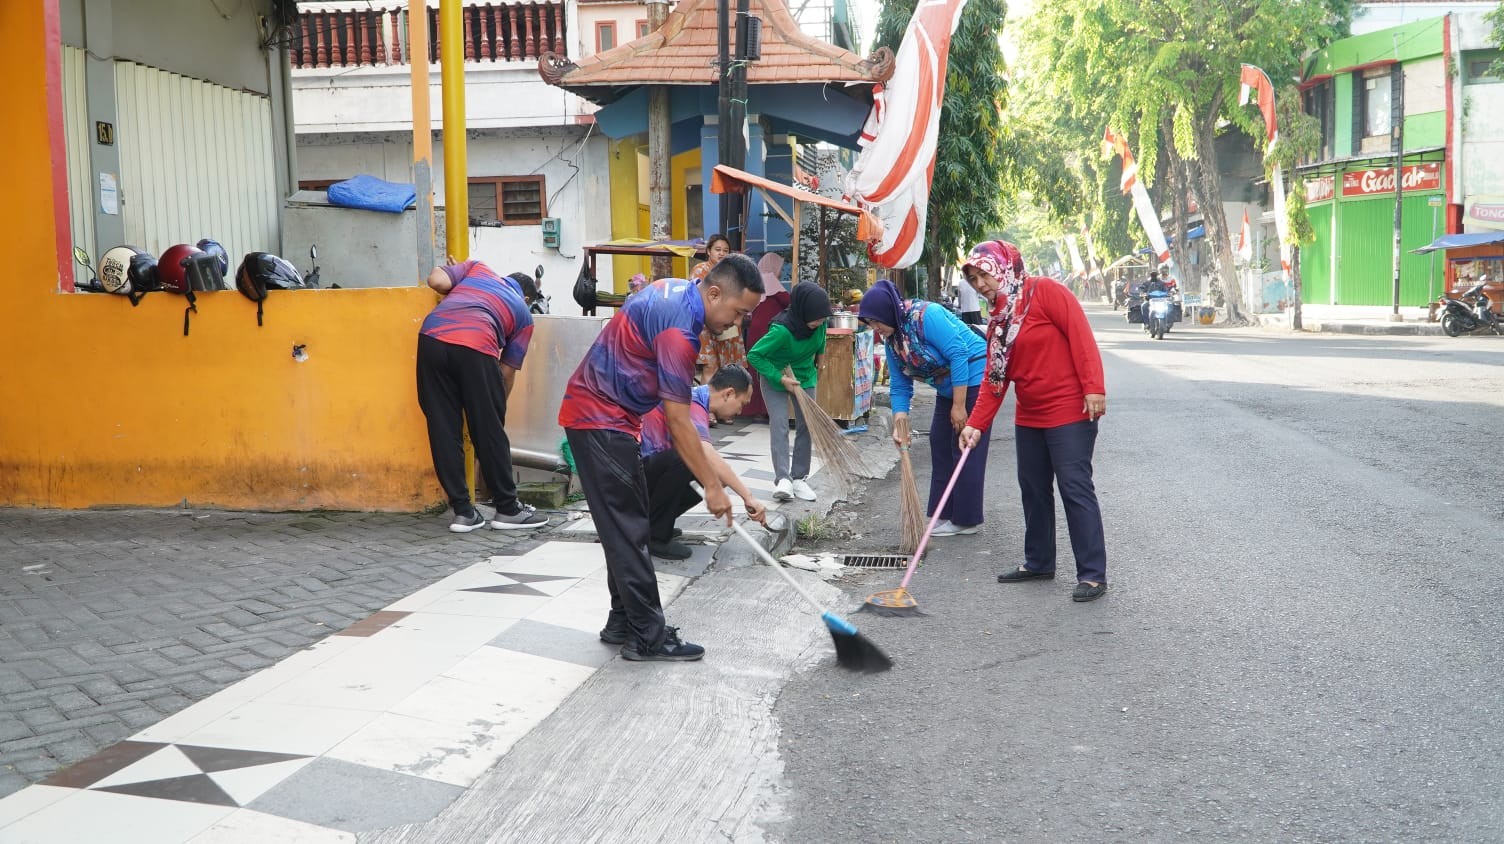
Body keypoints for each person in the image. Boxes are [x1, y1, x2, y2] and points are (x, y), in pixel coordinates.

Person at [559, 255, 763, 661]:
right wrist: (711, 485)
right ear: (716, 292)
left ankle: (624, 621)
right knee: (631, 530)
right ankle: (648, 637)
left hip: (603, 416)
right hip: (601, 418)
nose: (736, 323)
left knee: (624, 527)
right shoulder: (679, 330)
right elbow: (677, 419)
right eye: (738, 312)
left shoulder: (675, 292)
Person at [957, 241, 1110, 603]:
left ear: (1003, 268)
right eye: (974, 278)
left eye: (984, 274)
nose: (980, 284)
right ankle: (1039, 561)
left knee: (1074, 487)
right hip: (1030, 415)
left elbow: (1081, 338)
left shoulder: (1045, 292)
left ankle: (1092, 574)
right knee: (1033, 489)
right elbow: (995, 382)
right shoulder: (997, 322)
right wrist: (974, 425)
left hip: (1070, 410)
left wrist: (1094, 388)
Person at [417, 260, 550, 532]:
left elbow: (437, 282)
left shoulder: (476, 269)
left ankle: (464, 513)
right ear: (526, 298)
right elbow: (507, 371)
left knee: (442, 427)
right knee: (488, 430)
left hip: (431, 337)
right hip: (476, 343)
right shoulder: (524, 316)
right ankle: (508, 509)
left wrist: (454, 272)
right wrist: (494, 412)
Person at [859, 279, 989, 537]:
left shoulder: (926, 316)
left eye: (876, 322)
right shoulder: (893, 341)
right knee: (939, 442)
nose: (875, 328)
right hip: (946, 385)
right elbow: (899, 387)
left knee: (964, 445)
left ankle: (966, 519)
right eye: (870, 324)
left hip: (973, 376)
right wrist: (900, 426)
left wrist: (960, 406)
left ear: (888, 312)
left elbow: (959, 353)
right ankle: (943, 513)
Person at [639, 365, 767, 560]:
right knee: (687, 458)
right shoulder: (691, 403)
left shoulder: (695, 400)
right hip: (633, 477)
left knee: (713, 476)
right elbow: (705, 452)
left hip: (646, 471)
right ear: (729, 394)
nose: (741, 411)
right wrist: (747, 497)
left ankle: (656, 521)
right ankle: (655, 535)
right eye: (742, 403)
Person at [746, 283, 833, 503]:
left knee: (807, 425)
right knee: (781, 424)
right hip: (776, 376)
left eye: (823, 320)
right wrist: (780, 379)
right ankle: (783, 479)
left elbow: (821, 343)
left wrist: (820, 365)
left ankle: (799, 478)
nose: (820, 323)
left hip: (805, 376)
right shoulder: (781, 331)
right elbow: (755, 356)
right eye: (817, 319)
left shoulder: (820, 323)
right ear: (804, 312)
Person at [691, 234, 748, 379]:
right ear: (709, 251)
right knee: (710, 366)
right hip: (706, 325)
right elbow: (698, 297)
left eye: (725, 250)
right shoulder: (701, 269)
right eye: (718, 249)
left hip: (728, 324)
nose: (722, 253)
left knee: (729, 369)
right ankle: (706, 401)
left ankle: (724, 401)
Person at [742, 253, 790, 420]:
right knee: (768, 365)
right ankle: (766, 409)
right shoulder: (770, 279)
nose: (781, 272)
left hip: (755, 328)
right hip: (768, 329)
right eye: (780, 268)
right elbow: (787, 300)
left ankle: (753, 408)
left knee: (755, 364)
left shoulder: (756, 280)